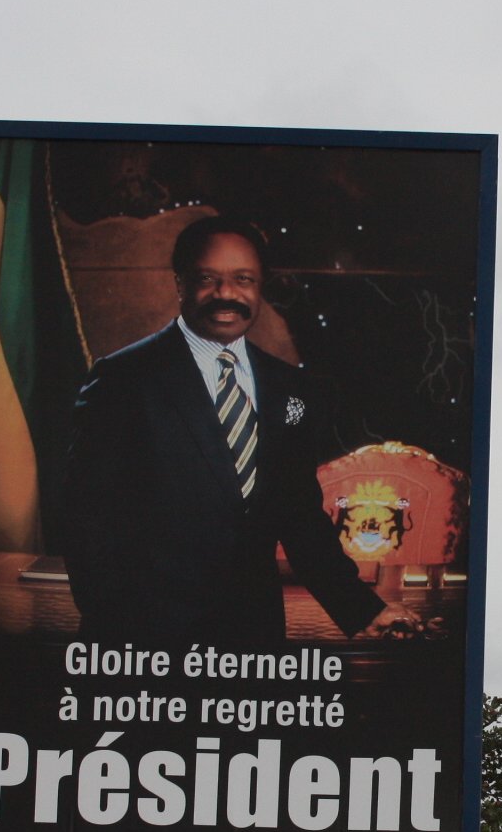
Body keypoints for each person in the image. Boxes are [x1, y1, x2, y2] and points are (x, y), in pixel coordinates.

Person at [60, 215, 419, 645]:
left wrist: (364, 610)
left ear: (260, 285)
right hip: (142, 638)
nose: (226, 294)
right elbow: (84, 515)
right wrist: (113, 621)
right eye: (207, 278)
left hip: (253, 635)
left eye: (243, 279)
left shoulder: (292, 390)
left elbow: (300, 517)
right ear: (180, 283)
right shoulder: (122, 379)